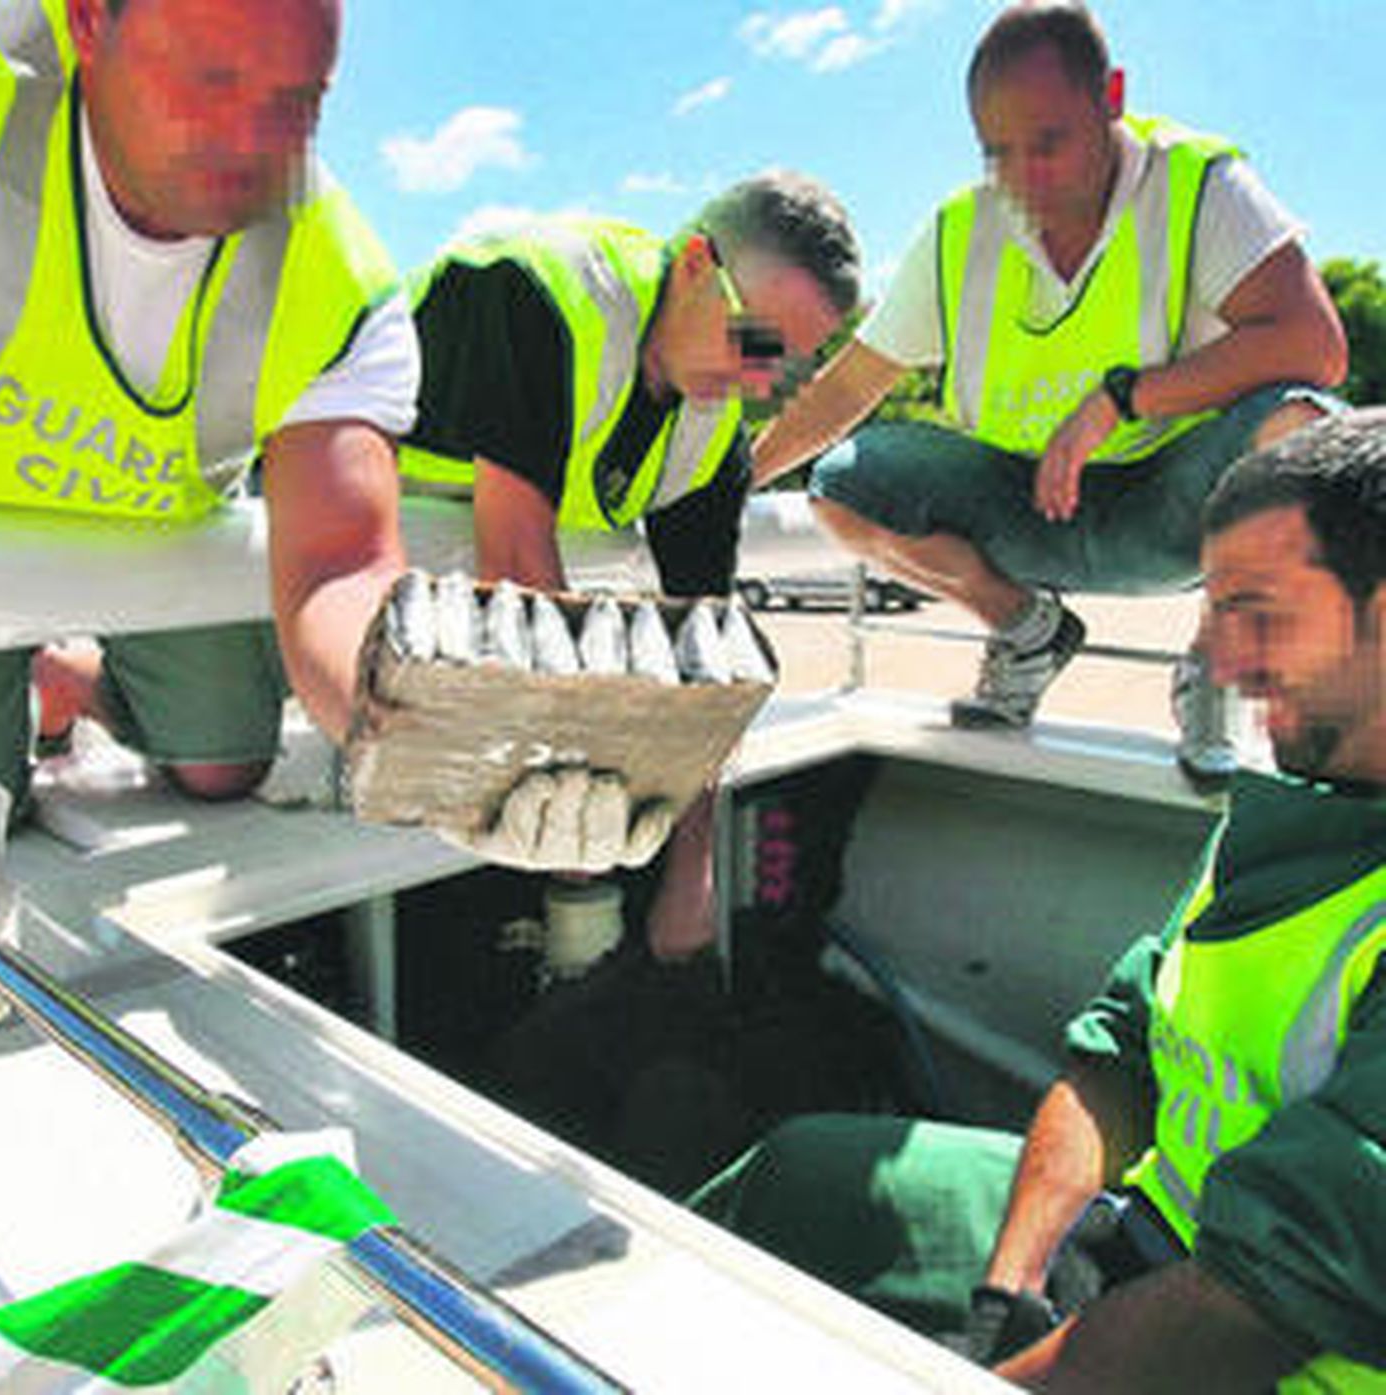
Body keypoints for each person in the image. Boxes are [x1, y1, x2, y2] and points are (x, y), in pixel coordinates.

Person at [694, 408, 1386, 1389]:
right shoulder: (1286, 802)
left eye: (1257, 610)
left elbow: (1250, 1311)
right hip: (1135, 1246)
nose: (1221, 663)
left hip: (1260, 1355)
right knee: (797, 1173)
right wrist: (1005, 1297)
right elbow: (1117, 1054)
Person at [0, 0, 419, 1034]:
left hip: (157, 543)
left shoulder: (342, 277)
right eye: (211, 81)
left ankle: (74, 680)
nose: (253, 144)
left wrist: (437, 753)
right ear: (89, 20)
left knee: (224, 768)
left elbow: (342, 573)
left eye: (295, 101)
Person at [752, 0, 1347, 781]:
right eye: (997, 152)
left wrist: (1119, 400)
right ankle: (1028, 633)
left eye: (1049, 142)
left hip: (1181, 511)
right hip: (1030, 508)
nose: (1023, 178)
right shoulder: (959, 233)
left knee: (1302, 427)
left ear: (1113, 98)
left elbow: (1316, 346)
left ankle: (1214, 665)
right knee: (846, 480)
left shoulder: (1201, 185)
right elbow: (850, 385)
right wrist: (730, 477)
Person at [398, 173, 861, 964]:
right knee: (218, 769)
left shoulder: (714, 441)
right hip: (319, 552)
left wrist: (693, 873)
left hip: (485, 589)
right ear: (691, 265)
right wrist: (584, 815)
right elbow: (519, 574)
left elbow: (702, 659)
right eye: (754, 342)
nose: (759, 383)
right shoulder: (537, 290)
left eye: (784, 367)